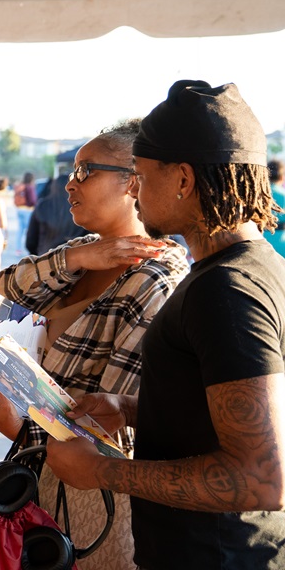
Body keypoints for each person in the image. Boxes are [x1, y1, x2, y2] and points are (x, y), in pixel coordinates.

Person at [46, 80, 285, 569]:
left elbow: (259, 478)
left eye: (140, 175)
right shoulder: (254, 268)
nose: (134, 190)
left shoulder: (227, 292)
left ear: (182, 179)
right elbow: (222, 405)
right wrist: (131, 408)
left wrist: (102, 471)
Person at [0, 120, 188, 569]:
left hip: (92, 509)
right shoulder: (83, 254)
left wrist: (18, 428)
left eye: (84, 171)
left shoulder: (155, 281)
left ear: (133, 182)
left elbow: (114, 432)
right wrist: (75, 256)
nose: (69, 183)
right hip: (40, 482)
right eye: (73, 171)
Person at [26, 171, 90, 256]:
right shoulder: (83, 208)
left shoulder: (42, 206)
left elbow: (30, 242)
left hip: (45, 260)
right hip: (76, 261)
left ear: (53, 187)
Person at [13, 171, 37, 253]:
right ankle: (28, 250)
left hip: (19, 209)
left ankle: (18, 249)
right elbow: (33, 200)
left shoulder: (20, 186)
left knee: (20, 230)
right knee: (29, 230)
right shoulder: (29, 187)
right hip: (27, 210)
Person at [268, 159, 285, 259]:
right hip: (282, 243)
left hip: (259, 242)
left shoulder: (255, 195)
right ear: (282, 177)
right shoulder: (283, 194)